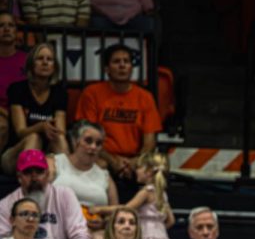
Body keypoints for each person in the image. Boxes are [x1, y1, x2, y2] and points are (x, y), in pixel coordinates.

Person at [74, 45, 162, 181]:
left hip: (134, 160)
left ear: (131, 68)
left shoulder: (145, 97)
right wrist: (113, 161)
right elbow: (87, 137)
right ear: (106, 69)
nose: (122, 65)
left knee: (155, 167)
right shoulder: (91, 93)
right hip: (100, 156)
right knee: (98, 164)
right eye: (116, 61)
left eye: (126, 61)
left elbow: (149, 142)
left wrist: (134, 162)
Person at [0, 149, 90, 239]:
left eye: (39, 172)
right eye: (28, 172)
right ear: (19, 177)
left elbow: (79, 234)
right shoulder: (6, 204)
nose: (34, 178)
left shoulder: (64, 195)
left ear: (47, 174)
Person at [2, 42, 66, 176]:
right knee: (34, 137)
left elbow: (60, 131)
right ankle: (30, 180)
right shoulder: (17, 89)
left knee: (59, 139)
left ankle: (69, 180)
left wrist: (54, 131)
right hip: (15, 153)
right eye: (40, 58)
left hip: (46, 153)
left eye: (49, 59)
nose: (45, 63)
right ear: (31, 64)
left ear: (54, 67)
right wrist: (41, 126)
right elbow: (20, 132)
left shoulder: (59, 93)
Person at [52, 121, 117, 239]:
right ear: (76, 142)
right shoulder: (55, 163)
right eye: (88, 141)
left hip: (93, 235)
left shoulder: (105, 176)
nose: (93, 147)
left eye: (98, 143)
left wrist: (104, 223)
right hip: (56, 228)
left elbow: (114, 213)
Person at [118, 150, 175, 239]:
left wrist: (102, 209)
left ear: (148, 172)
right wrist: (158, 230)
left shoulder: (146, 191)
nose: (136, 171)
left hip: (145, 236)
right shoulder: (162, 193)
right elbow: (171, 220)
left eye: (139, 167)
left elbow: (126, 209)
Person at [0, 13, 25, 151]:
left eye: (10, 25)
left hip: (23, 113)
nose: (6, 29)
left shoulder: (27, 60)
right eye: (1, 25)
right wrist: (7, 114)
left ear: (16, 31)